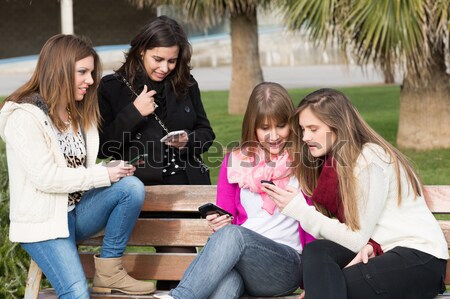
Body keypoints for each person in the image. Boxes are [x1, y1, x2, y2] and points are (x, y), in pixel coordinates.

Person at [0, 34, 156, 298]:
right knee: (76, 293)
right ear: (58, 70)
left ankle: (109, 271)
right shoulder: (24, 117)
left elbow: (76, 167)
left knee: (130, 187)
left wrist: (110, 168)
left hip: (76, 212)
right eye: (82, 72)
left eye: (91, 72)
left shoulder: (76, 112)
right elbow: (46, 177)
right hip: (44, 223)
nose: (90, 80)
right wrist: (102, 174)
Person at [264, 88, 448, 299]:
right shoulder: (336, 165)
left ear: (338, 126)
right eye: (303, 129)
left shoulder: (370, 160)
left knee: (330, 288)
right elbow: (356, 238)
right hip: (382, 252)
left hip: (419, 260)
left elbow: (354, 239)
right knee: (317, 252)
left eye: (313, 129)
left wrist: (300, 211)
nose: (305, 137)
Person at [156, 82, 314, 299]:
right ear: (253, 127)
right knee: (225, 287)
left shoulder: (305, 161)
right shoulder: (235, 162)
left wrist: (313, 283)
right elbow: (227, 220)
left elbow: (312, 226)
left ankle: (179, 297)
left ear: (292, 124)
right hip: (242, 264)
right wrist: (218, 223)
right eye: (265, 128)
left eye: (280, 125)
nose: (274, 136)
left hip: (285, 266)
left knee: (234, 236)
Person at [97, 15, 215, 290]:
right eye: (158, 59)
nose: (165, 67)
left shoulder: (186, 84)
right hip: (144, 190)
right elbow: (104, 147)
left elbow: (207, 133)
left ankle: (171, 293)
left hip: (188, 188)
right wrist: (133, 113)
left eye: (172, 61)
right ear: (141, 50)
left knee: (187, 256)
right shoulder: (113, 88)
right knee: (182, 256)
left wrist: (188, 140)